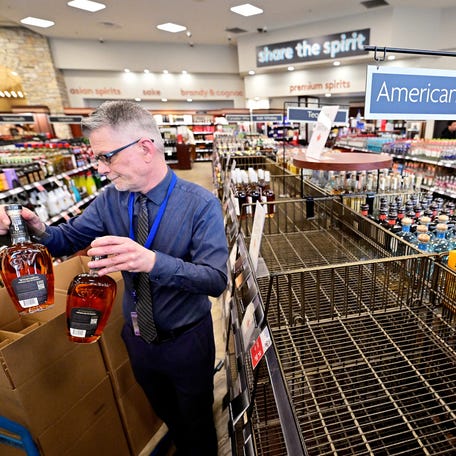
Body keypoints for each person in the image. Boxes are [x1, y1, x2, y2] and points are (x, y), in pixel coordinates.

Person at [0, 100, 228, 455]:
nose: (100, 168)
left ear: (145, 148)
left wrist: (151, 261)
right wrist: (38, 226)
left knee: (198, 423)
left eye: (106, 157)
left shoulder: (200, 204)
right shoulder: (110, 200)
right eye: (96, 158)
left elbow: (215, 279)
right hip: (136, 338)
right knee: (168, 413)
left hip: (187, 340)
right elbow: (67, 239)